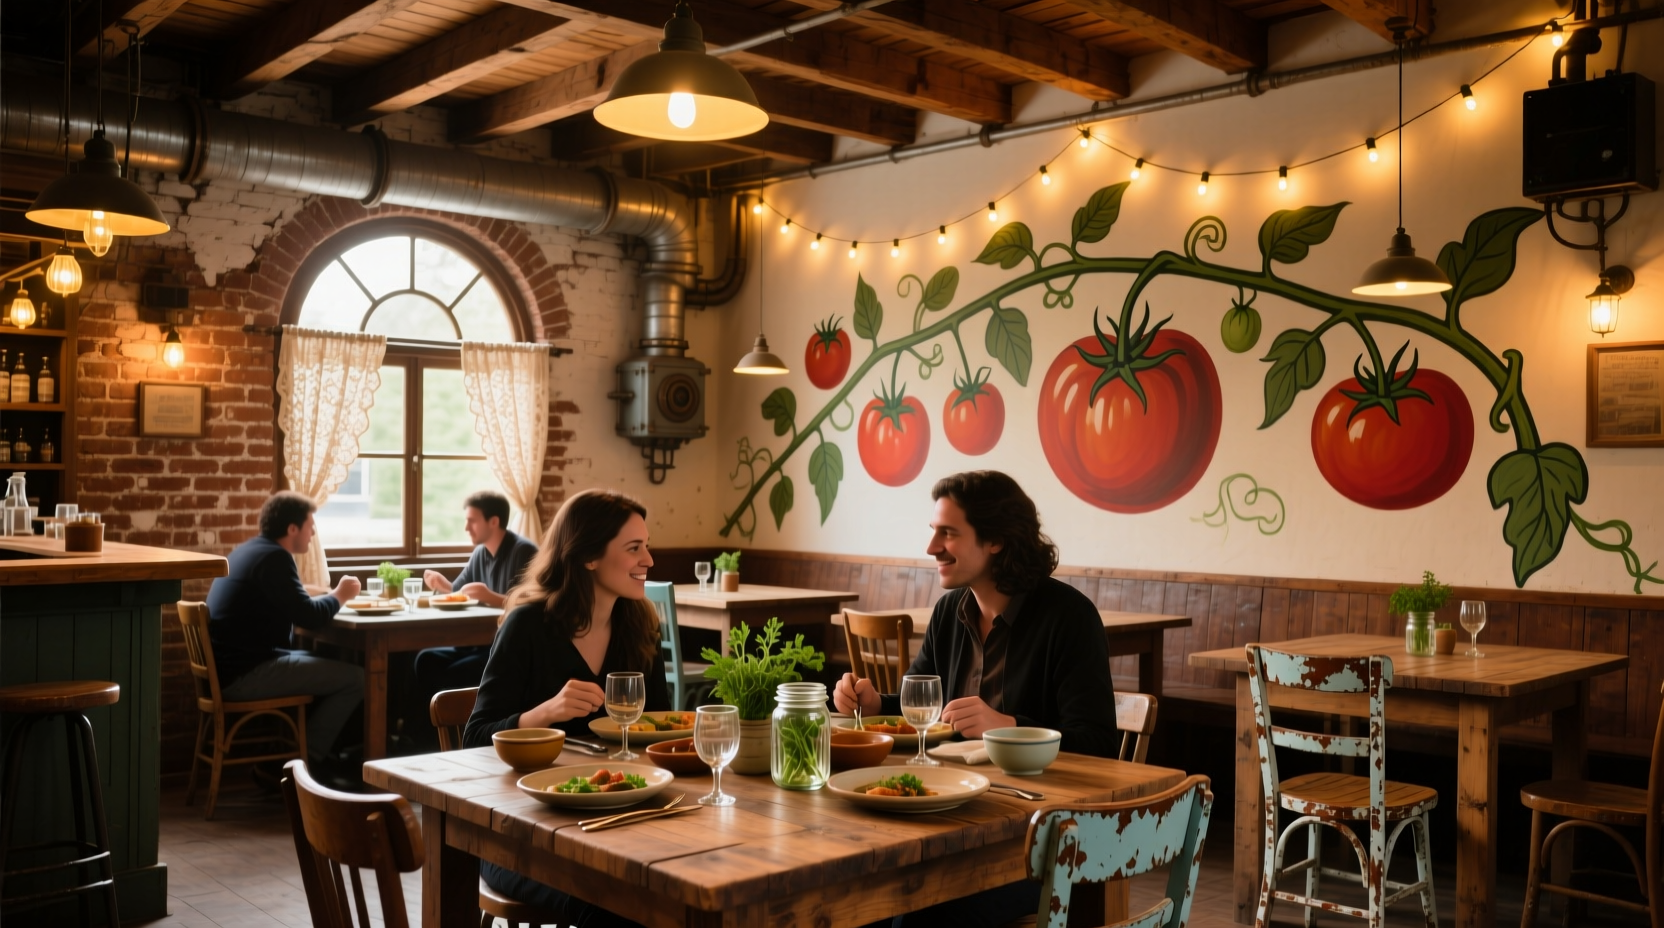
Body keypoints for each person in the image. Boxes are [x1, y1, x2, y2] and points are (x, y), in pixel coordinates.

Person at [834, 470, 1118, 928]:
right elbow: (923, 710)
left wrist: (1007, 728)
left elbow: (1100, 743)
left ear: (996, 541)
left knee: (909, 910)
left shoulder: (1070, 618)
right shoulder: (951, 611)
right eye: (933, 532)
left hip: (1040, 850)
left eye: (948, 533)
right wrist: (874, 703)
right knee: (856, 897)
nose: (931, 548)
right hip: (955, 824)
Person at [463, 489, 668, 927]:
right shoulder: (528, 625)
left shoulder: (640, 625)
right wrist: (545, 714)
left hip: (618, 827)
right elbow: (474, 737)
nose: (648, 560)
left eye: (646, 546)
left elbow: (659, 733)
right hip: (521, 837)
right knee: (620, 907)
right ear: (589, 556)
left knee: (677, 899)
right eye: (634, 548)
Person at [207, 492, 365, 788]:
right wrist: (341, 594)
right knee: (356, 678)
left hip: (229, 670)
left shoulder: (250, 550)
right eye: (310, 525)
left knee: (335, 667)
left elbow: (290, 599)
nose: (313, 532)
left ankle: (303, 757)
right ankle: (310, 765)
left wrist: (318, 593)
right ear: (292, 529)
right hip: (247, 674)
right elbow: (310, 617)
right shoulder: (276, 557)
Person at [412, 490, 538, 698]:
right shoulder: (480, 552)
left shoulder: (524, 551)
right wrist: (442, 585)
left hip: (505, 648)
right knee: (425, 660)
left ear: (494, 521)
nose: (466, 527)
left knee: (451, 675)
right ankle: (423, 730)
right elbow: (459, 591)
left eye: (472, 521)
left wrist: (491, 597)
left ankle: (459, 727)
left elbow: (535, 604)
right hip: (475, 642)